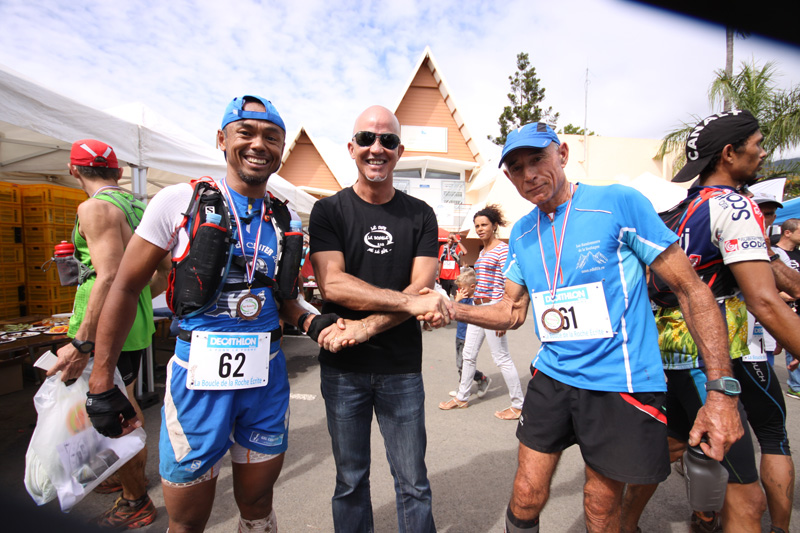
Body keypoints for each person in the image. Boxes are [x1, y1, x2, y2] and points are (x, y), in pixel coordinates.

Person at [432, 122, 743, 533]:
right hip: (554, 375)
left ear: (561, 154)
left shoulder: (618, 202)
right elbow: (510, 310)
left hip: (620, 381)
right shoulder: (523, 232)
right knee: (526, 493)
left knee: (599, 507)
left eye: (538, 159)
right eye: (517, 167)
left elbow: (691, 290)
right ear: (508, 177)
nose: (529, 174)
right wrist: (453, 309)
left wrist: (721, 393)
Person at [85, 95, 315, 533]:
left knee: (258, 505)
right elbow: (126, 285)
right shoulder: (177, 201)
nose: (258, 145)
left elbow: (286, 299)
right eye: (245, 132)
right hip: (196, 378)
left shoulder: (284, 216)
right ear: (222, 138)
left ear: (281, 151)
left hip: (265, 379)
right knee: (188, 520)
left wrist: (315, 321)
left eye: (271, 137)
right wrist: (101, 378)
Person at [627, 110, 800, 533]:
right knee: (745, 496)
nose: (762, 153)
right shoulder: (734, 205)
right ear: (728, 153)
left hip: (668, 358)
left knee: (668, 447)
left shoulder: (677, 211)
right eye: (757, 144)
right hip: (713, 361)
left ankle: (620, 524)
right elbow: (763, 301)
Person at [308, 105, 450, 533]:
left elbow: (421, 287)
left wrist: (366, 326)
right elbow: (333, 285)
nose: (377, 148)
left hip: (401, 368)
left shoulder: (421, 214)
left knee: (413, 484)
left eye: (387, 141)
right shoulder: (329, 211)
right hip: (343, 369)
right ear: (351, 148)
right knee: (350, 481)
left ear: (399, 151)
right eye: (367, 140)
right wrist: (408, 305)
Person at [47, 139, 167, 529]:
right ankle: (122, 477)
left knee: (116, 410)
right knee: (121, 404)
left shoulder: (94, 207)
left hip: (102, 328)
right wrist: (136, 302)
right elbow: (163, 270)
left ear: (74, 170)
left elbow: (108, 274)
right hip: (131, 324)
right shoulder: (139, 206)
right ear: (118, 172)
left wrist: (83, 340)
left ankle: (135, 500)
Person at [439, 205, 523, 419]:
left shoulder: (502, 250)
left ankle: (518, 404)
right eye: (477, 225)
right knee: (468, 354)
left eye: (484, 224)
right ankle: (462, 397)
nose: (480, 228)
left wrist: (505, 316)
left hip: (494, 309)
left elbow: (509, 282)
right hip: (478, 307)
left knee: (501, 357)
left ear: (495, 226)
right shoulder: (484, 251)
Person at [446, 267, 490, 398]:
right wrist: (457, 301)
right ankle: (471, 382)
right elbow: (453, 314)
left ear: (472, 287)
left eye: (462, 288)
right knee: (460, 363)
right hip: (459, 335)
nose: (460, 291)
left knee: (464, 363)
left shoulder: (475, 301)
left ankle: (475, 382)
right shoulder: (463, 298)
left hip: (469, 336)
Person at [772, 218, 800, 399]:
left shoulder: (798, 253)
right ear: (787, 232)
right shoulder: (775, 254)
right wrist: (782, 296)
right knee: (780, 347)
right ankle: (795, 386)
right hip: (782, 307)